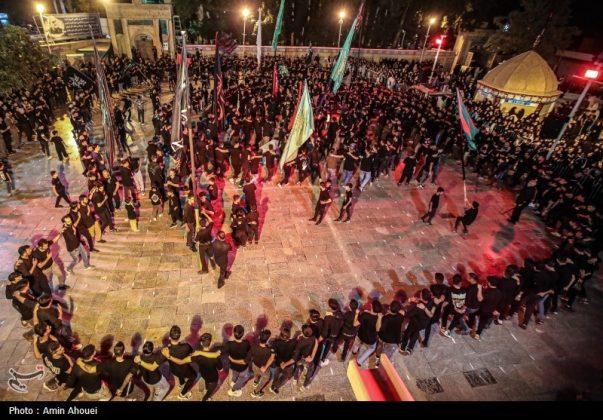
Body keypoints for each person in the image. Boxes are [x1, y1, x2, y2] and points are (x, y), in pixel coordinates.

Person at [164, 325, 196, 400]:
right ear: (179, 336)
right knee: (193, 376)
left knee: (180, 375)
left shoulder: (166, 350)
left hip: (174, 370)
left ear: (170, 337)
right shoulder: (186, 346)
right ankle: (182, 394)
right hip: (184, 369)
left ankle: (182, 384)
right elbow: (191, 353)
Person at [353, 299, 382, 368]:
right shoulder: (378, 319)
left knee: (357, 342)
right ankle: (360, 361)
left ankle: (354, 351)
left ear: (371, 306)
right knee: (371, 348)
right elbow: (378, 329)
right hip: (370, 339)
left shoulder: (365, 315)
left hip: (361, 335)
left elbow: (355, 324)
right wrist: (380, 318)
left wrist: (356, 314)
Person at [225, 325, 251, 397]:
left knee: (235, 374)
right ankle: (233, 390)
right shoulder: (246, 343)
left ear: (233, 334)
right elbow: (246, 358)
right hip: (243, 367)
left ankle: (233, 382)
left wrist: (231, 358)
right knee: (243, 378)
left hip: (233, 366)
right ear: (243, 334)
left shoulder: (229, 344)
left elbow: (224, 352)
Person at [268, 327, 297, 395]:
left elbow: (273, 353)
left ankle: (273, 385)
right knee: (285, 377)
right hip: (288, 364)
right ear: (289, 335)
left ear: (281, 335)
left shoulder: (276, 343)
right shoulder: (294, 342)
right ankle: (275, 387)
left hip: (279, 363)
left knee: (277, 374)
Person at [249, 329, 275, 398]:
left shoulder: (253, 346)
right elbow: (272, 358)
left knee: (256, 373)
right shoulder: (269, 349)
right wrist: (265, 367)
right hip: (263, 368)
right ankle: (255, 392)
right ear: (267, 339)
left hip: (254, 365)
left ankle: (255, 382)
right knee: (265, 378)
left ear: (259, 338)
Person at [319, 299, 343, 366]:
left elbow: (325, 329)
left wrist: (322, 336)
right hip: (335, 334)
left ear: (330, 307)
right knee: (328, 346)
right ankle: (323, 358)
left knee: (324, 346)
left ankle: (321, 357)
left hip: (328, 335)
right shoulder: (340, 314)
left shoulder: (328, 318)